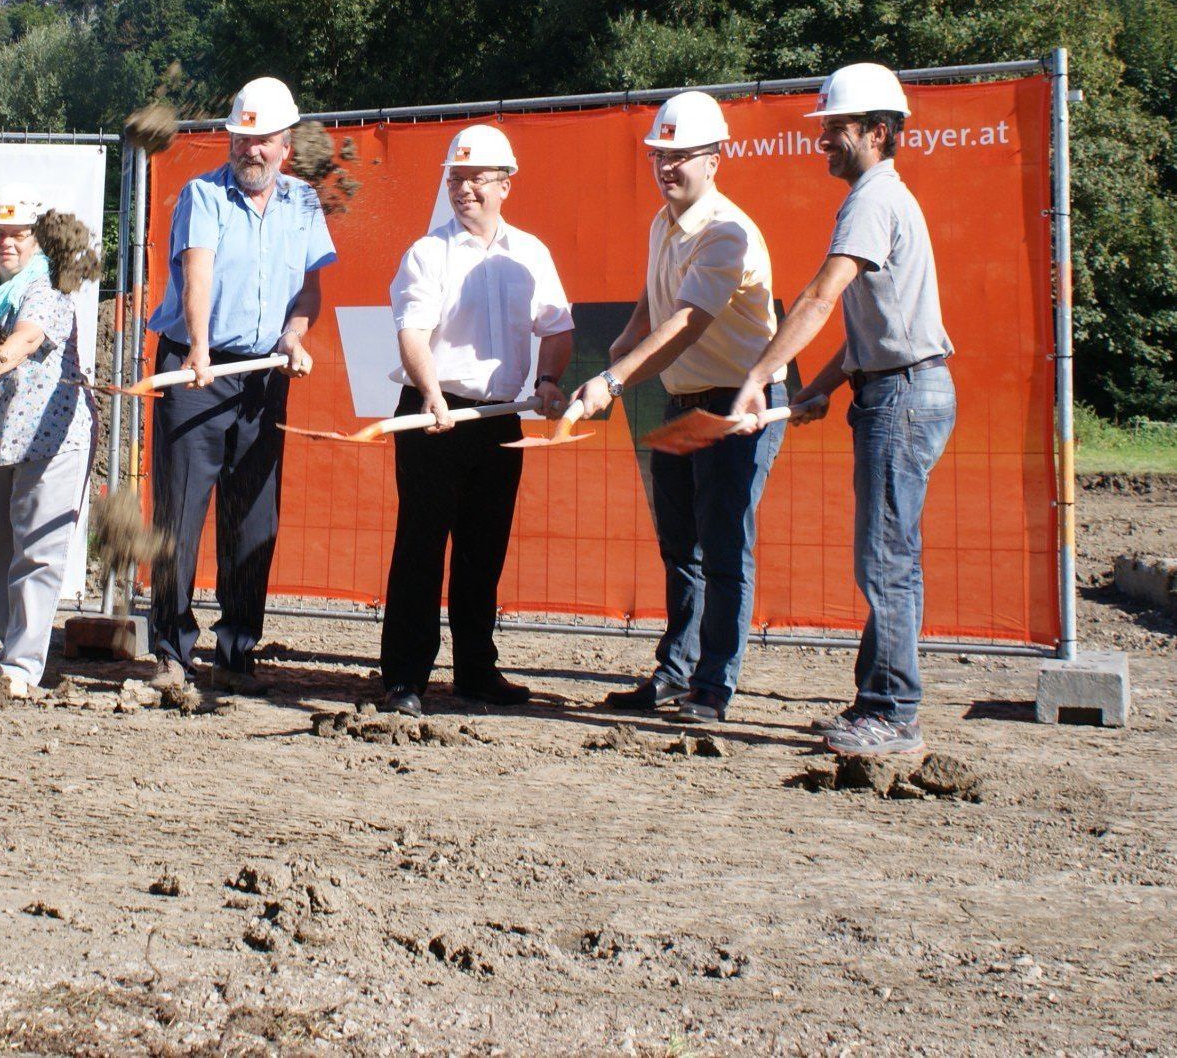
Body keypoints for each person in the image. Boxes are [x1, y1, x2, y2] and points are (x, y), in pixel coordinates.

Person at [730, 62, 955, 757]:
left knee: (884, 560)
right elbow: (873, 329)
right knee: (892, 558)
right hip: (895, 387)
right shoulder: (881, 198)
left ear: (879, 133)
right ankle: (881, 702)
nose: (824, 138)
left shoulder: (872, 201)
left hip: (903, 397)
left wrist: (760, 375)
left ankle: (892, 714)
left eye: (838, 128)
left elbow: (823, 295)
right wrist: (819, 384)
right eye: (826, 126)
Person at [572, 92, 786, 725]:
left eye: (681, 155)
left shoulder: (727, 234)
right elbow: (657, 297)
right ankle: (674, 673)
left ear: (715, 158)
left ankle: (714, 686)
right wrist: (625, 338)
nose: (667, 166)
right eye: (660, 155)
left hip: (732, 407)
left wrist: (611, 380)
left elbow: (690, 320)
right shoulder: (662, 224)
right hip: (678, 401)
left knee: (722, 547)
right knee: (679, 545)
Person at [145, 76, 336, 694]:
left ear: (286, 144)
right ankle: (172, 648)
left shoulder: (305, 203)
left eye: (263, 140)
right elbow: (196, 272)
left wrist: (294, 335)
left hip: (262, 375)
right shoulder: (202, 196)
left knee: (253, 515)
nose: (251, 150)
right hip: (196, 371)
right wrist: (198, 348)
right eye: (242, 138)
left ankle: (238, 645)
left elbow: (309, 285)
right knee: (180, 513)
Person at [379, 125, 574, 717]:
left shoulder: (531, 253)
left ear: (505, 185)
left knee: (483, 551)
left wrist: (547, 382)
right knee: (420, 548)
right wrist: (434, 395)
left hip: (499, 422)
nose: (463, 189)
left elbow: (558, 327)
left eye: (476, 179)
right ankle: (405, 679)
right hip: (432, 417)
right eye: (455, 178)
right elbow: (411, 332)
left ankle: (475, 673)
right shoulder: (428, 253)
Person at [0, 184, 96, 697]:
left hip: (48, 437)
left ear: (35, 238)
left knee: (37, 552)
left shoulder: (48, 286)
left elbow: (28, 337)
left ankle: (22, 667)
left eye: (16, 234)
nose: (5, 243)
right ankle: (9, 652)